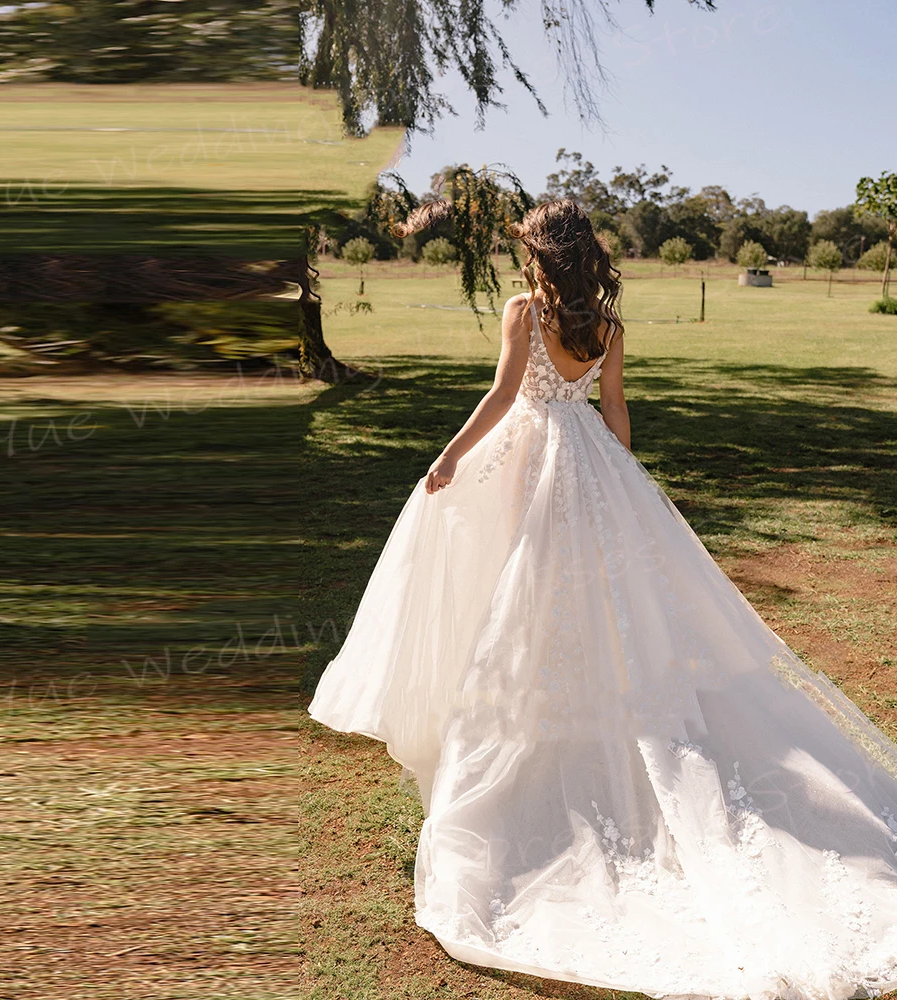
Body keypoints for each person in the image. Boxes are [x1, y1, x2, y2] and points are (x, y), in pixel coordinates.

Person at [308, 200, 897, 999]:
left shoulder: (524, 311)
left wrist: (447, 458)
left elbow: (502, 396)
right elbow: (613, 408)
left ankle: (537, 722)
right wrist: (627, 485)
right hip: (587, 458)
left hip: (525, 456)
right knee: (575, 592)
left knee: (521, 588)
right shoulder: (608, 327)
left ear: (541, 255)